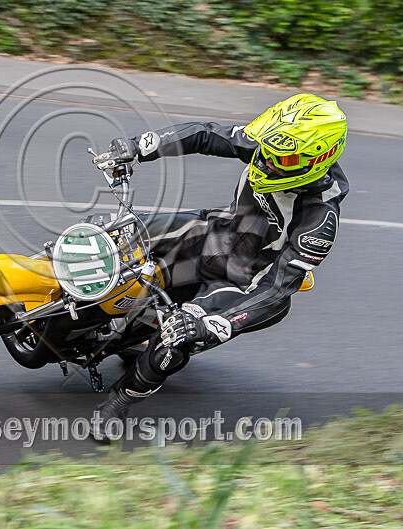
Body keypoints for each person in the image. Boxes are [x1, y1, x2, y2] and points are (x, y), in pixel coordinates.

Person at [90, 93, 349, 441]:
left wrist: (221, 323)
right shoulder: (272, 145)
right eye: (266, 148)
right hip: (212, 233)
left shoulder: (320, 217)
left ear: (320, 159)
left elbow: (276, 291)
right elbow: (207, 134)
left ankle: (120, 401)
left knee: (175, 340)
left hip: (244, 281)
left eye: (281, 158)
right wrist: (139, 146)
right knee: (108, 233)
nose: (266, 161)